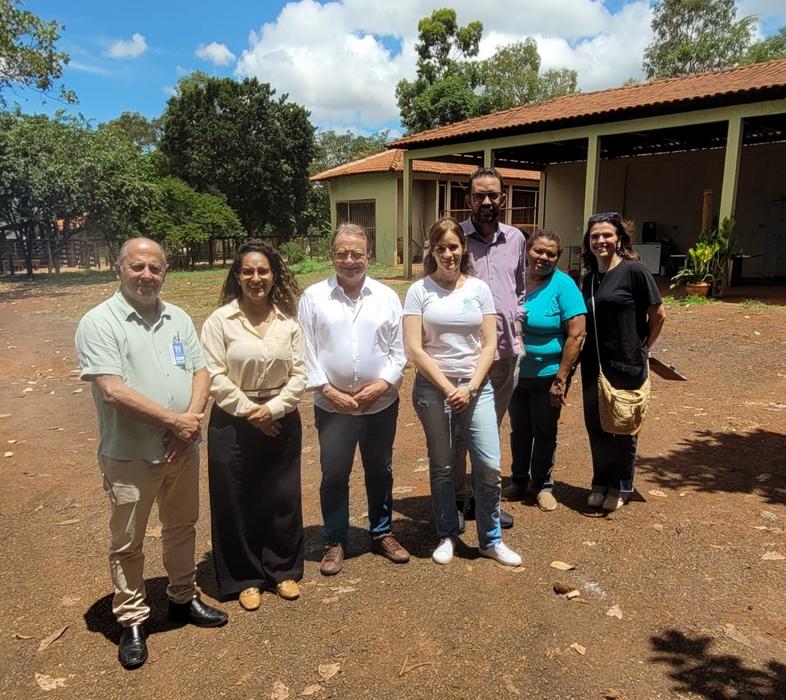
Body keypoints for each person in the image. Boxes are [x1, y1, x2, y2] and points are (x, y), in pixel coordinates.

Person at [75, 237, 227, 671]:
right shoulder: (99, 322)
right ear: (119, 269)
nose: (146, 275)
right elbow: (112, 390)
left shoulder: (178, 317)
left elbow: (200, 372)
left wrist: (188, 423)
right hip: (131, 454)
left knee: (182, 526)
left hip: (183, 448)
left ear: (165, 272)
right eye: (137, 267)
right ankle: (133, 619)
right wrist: (175, 422)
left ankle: (182, 597)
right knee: (128, 541)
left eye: (155, 268)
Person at [403, 217, 522, 567]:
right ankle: (447, 534)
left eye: (453, 247)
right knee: (442, 465)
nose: (447, 254)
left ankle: (490, 540)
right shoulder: (419, 291)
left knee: (488, 464)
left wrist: (469, 387)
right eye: (440, 248)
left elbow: (489, 345)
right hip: (433, 388)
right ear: (432, 251)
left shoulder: (478, 289)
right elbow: (415, 349)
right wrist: (447, 388)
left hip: (475, 387)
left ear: (464, 247)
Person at [200, 240, 306, 611]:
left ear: (274, 275)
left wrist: (272, 409)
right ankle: (245, 577)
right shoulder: (220, 321)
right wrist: (250, 412)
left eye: (263, 271)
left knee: (281, 497)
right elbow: (212, 374)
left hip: (281, 418)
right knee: (235, 498)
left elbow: (300, 373)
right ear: (237, 276)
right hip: (233, 421)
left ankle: (282, 569)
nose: (256, 278)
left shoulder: (288, 322)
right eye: (248, 271)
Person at [298, 223, 409, 576]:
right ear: (332, 256)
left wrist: (381, 385)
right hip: (332, 407)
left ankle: (382, 532)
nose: (349, 260)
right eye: (342, 253)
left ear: (369, 256)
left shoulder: (386, 297)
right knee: (334, 474)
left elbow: (399, 350)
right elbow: (305, 350)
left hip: (380, 404)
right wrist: (328, 391)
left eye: (357, 254)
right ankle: (334, 539)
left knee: (380, 470)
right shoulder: (313, 297)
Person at [580, 212, 666, 511]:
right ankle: (600, 482)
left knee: (623, 426)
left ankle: (621, 486)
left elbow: (658, 315)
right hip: (593, 364)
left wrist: (644, 348)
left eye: (607, 235)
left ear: (619, 240)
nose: (601, 241)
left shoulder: (634, 271)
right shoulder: (589, 279)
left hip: (627, 363)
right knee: (597, 426)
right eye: (595, 236)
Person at [456, 166, 527, 530]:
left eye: (492, 195)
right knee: (458, 432)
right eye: (479, 195)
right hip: (465, 355)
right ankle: (457, 500)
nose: (486, 201)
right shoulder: (454, 238)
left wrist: (516, 324)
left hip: (504, 354)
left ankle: (486, 504)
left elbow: (520, 288)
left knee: (489, 431)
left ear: (503, 197)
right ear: (468, 199)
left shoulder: (516, 239)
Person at [503, 231, 586, 511]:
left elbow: (577, 334)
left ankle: (542, 485)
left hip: (549, 374)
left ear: (557, 257)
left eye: (551, 254)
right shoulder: (515, 279)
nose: (543, 257)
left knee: (544, 430)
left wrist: (561, 378)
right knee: (519, 429)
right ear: (528, 251)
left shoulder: (564, 286)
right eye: (538, 251)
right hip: (515, 373)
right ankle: (518, 480)